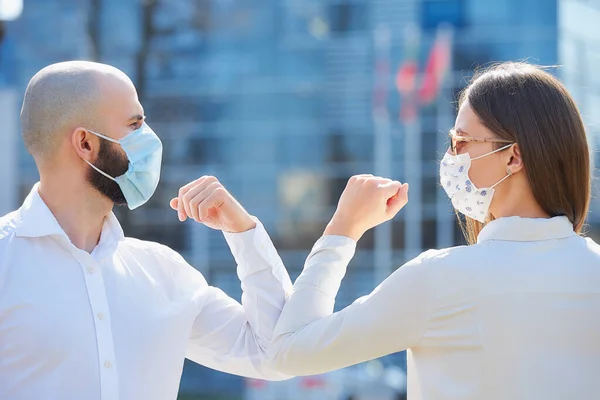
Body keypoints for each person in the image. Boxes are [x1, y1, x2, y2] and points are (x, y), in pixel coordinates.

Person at [268, 62, 600, 399]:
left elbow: (289, 352)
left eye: (461, 142)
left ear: (513, 157)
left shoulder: (439, 279)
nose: (450, 157)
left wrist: (342, 230)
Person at [0, 61, 292, 400]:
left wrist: (243, 232)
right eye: (134, 124)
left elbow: (275, 355)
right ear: (85, 143)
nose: (150, 139)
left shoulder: (163, 272)